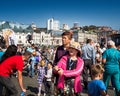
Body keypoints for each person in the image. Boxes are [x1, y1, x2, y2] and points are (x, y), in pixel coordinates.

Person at [53, 31, 73, 95]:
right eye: (62, 38)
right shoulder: (59, 48)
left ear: (69, 40)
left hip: (68, 77)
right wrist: (54, 67)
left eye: (65, 38)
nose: (62, 39)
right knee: (59, 93)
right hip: (58, 76)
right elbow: (55, 61)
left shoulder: (72, 49)